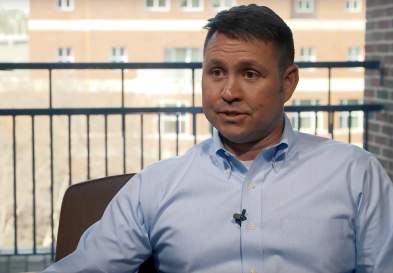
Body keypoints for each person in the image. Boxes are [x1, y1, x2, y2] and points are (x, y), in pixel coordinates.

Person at [42, 4, 393, 273]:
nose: (228, 92)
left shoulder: (354, 174)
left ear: (288, 83)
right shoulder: (157, 185)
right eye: (216, 72)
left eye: (250, 74)